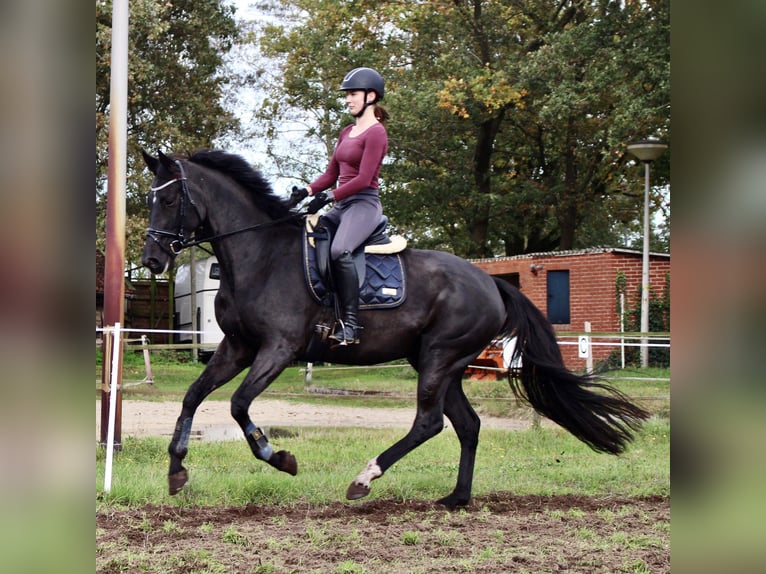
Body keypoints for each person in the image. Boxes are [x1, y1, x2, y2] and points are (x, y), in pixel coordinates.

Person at [299, 67, 389, 346]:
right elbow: (330, 174)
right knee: (310, 239)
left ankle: (351, 326)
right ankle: (325, 308)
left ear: (370, 96)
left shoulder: (376, 133)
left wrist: (330, 197)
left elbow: (363, 179)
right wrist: (306, 190)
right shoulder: (346, 131)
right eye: (347, 95)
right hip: (342, 204)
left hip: (363, 204)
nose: (348, 100)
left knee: (340, 250)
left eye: (352, 94)